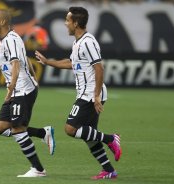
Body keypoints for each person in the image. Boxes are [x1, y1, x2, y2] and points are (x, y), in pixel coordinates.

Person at [35, 6, 122, 180]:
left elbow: (99, 68)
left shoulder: (88, 42)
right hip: (86, 93)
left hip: (90, 95)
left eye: (67, 20)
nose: (65, 23)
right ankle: (109, 170)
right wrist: (48, 62)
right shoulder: (78, 42)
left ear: (75, 23)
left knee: (70, 129)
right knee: (89, 135)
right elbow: (71, 63)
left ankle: (111, 138)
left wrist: (96, 96)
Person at [0, 9, 55, 178]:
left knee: (18, 129)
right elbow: (25, 59)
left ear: (3, 22)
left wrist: (11, 88)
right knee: (2, 128)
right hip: (18, 89)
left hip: (21, 90)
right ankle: (43, 133)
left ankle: (38, 169)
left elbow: (16, 63)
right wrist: (34, 77)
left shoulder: (10, 39)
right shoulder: (8, 40)